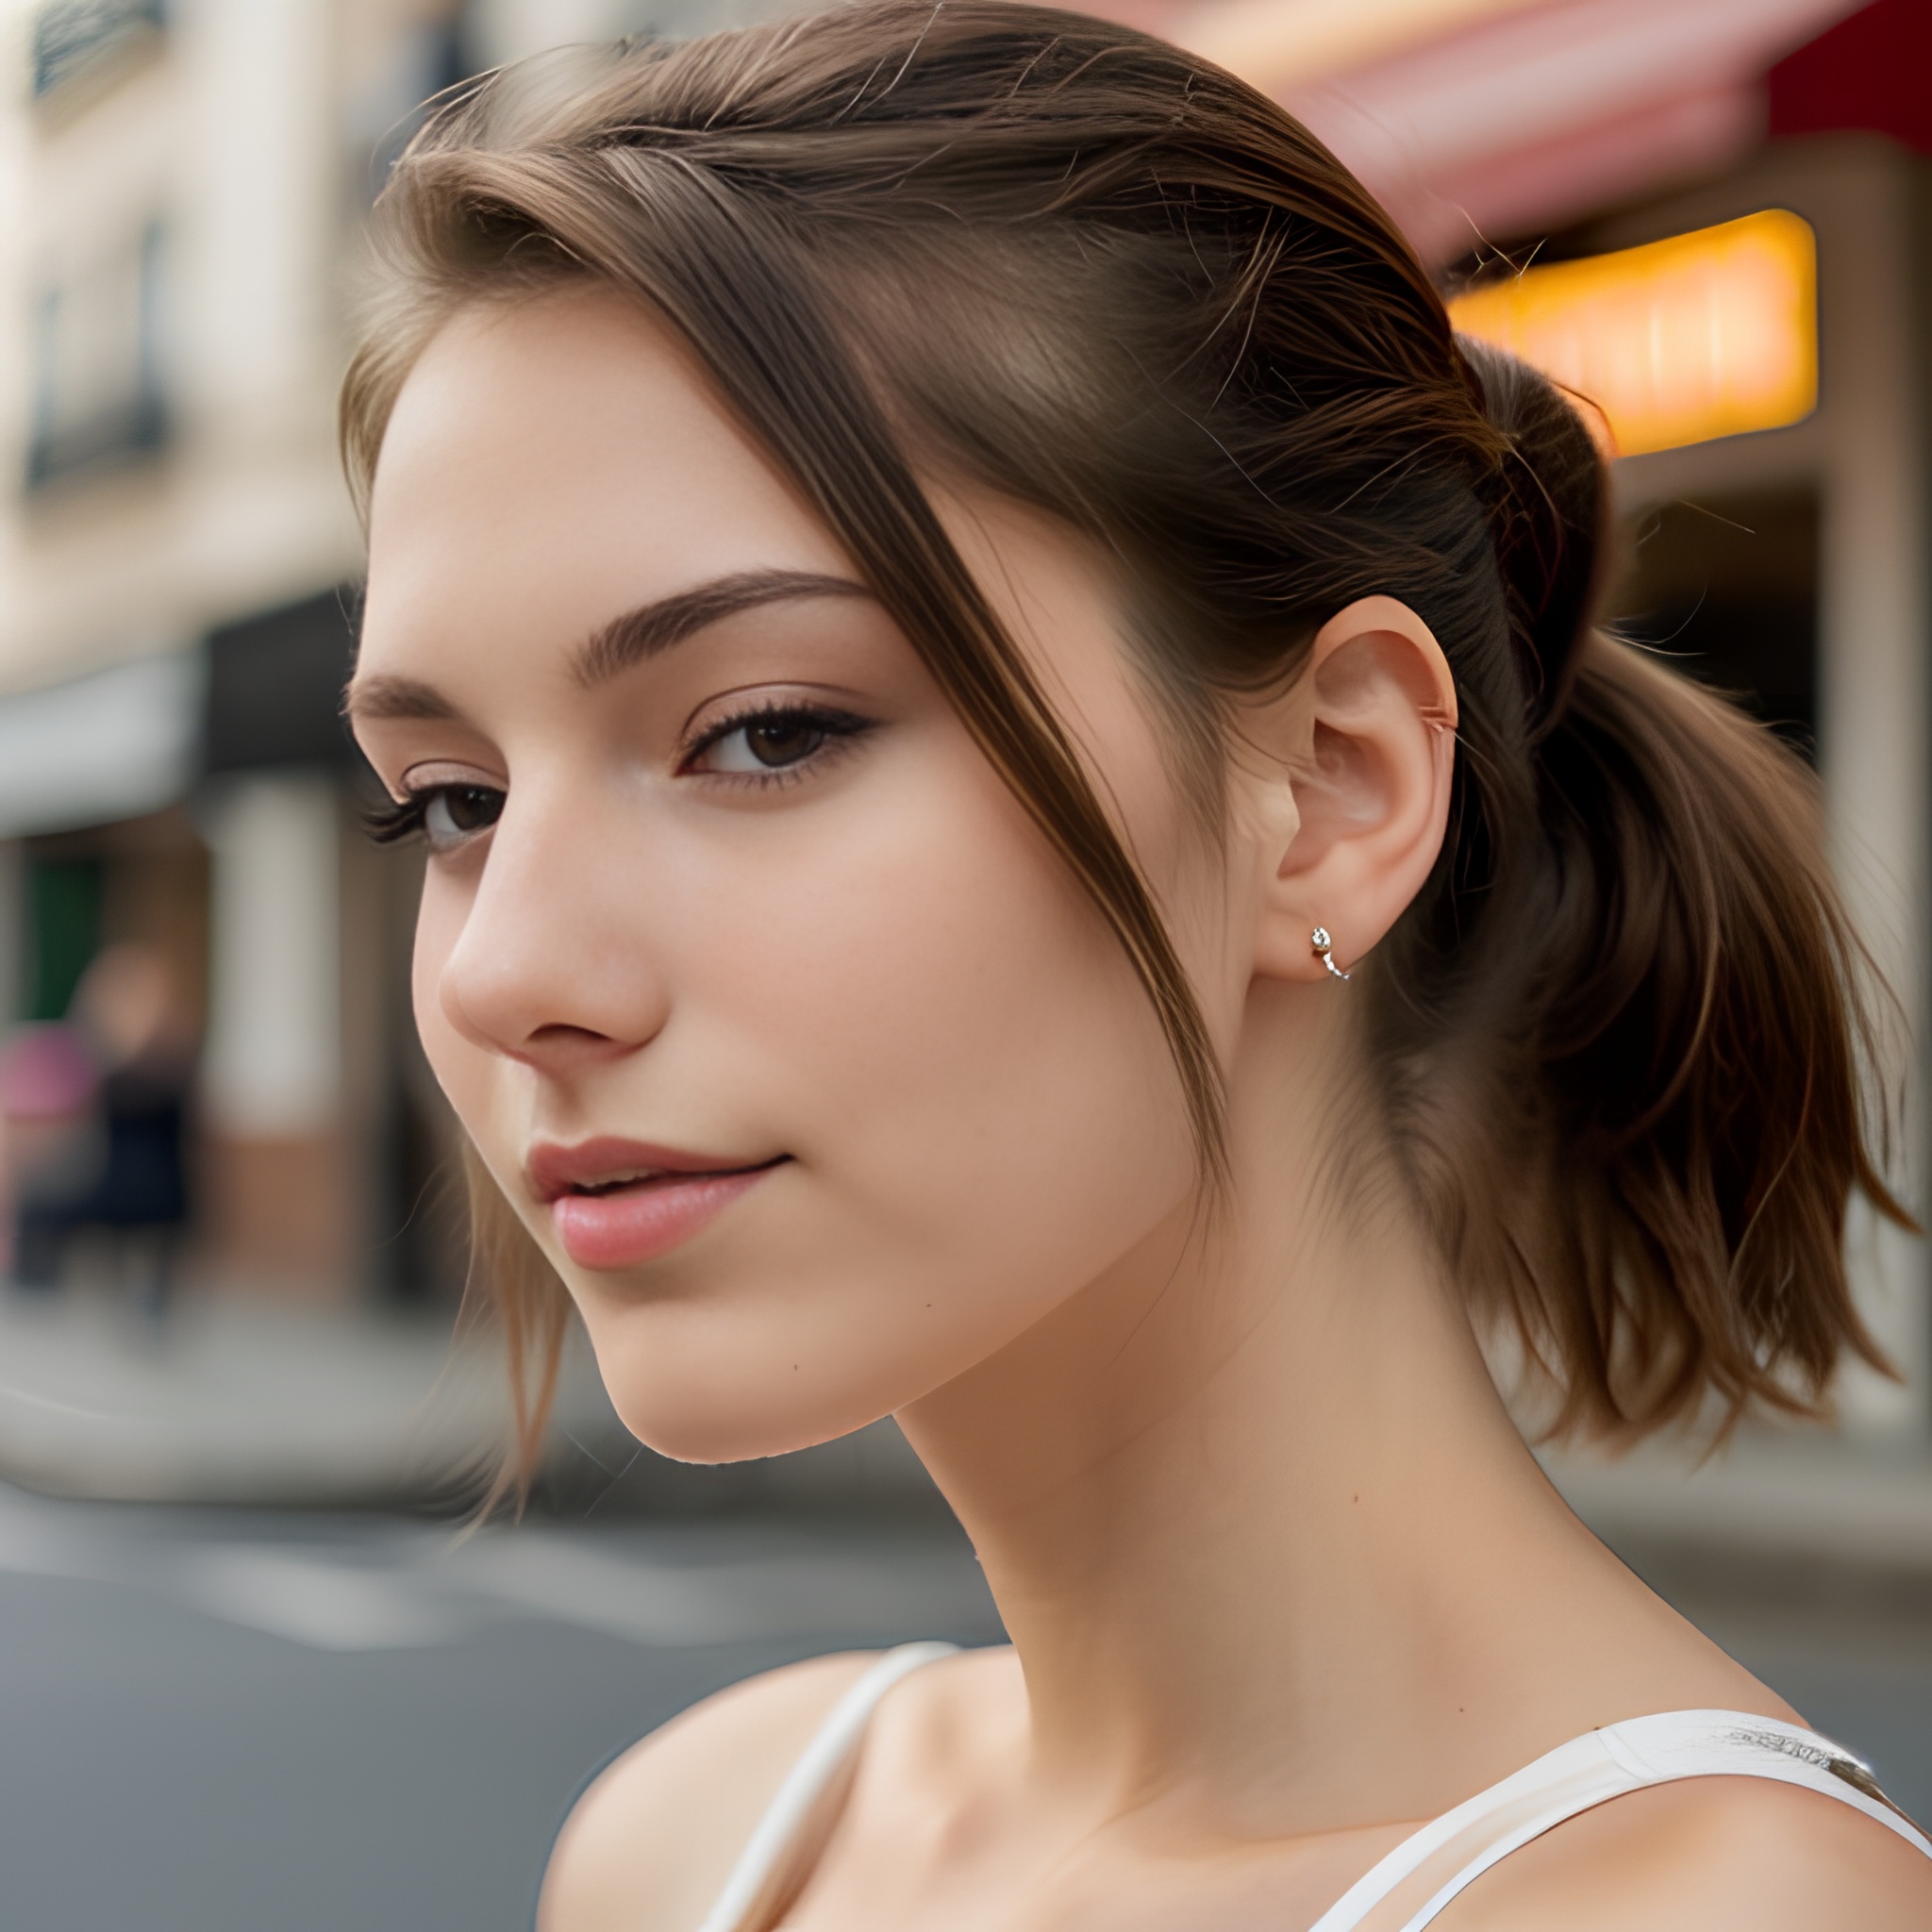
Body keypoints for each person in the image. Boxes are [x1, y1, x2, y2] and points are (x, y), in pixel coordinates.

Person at [341, 6, 1932, 1926]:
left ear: (1332, 787)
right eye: (451, 802)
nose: (504, 969)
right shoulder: (706, 1841)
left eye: (764, 732)